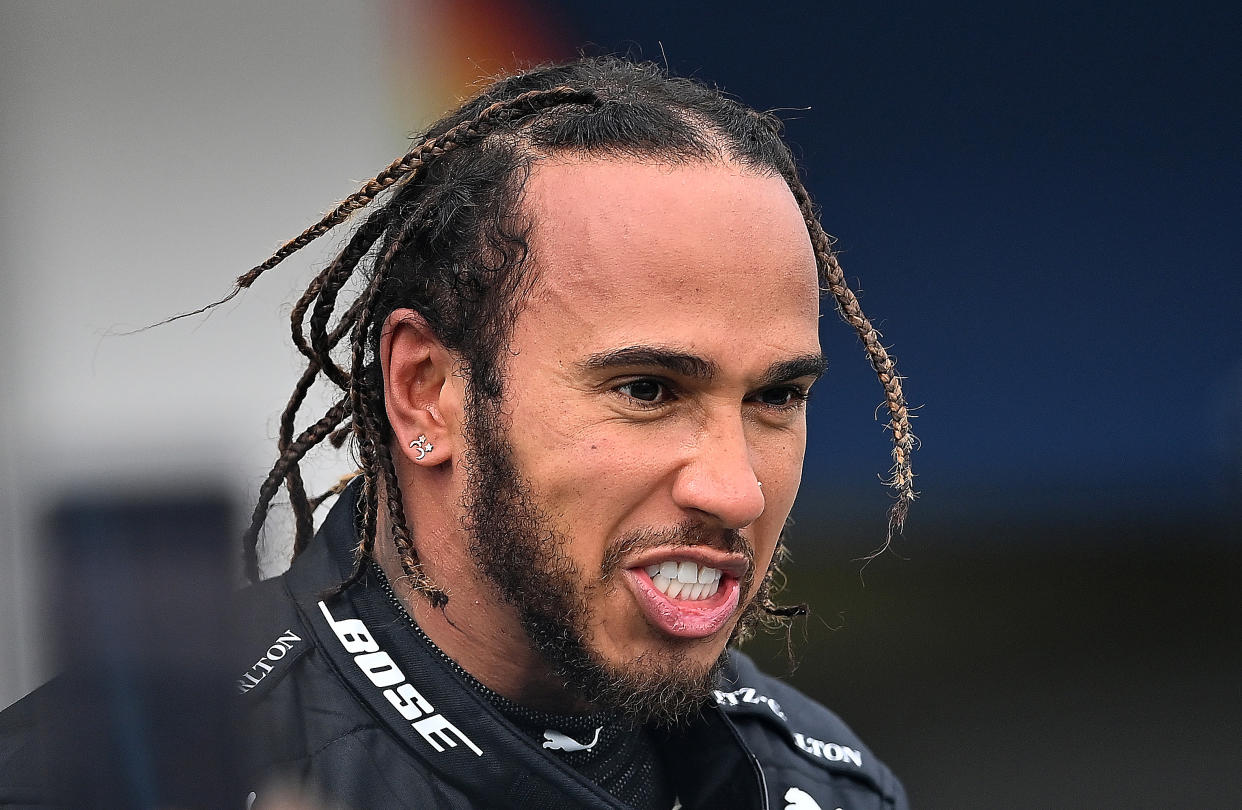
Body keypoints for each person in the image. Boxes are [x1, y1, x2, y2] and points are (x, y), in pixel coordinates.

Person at [2, 57, 915, 809]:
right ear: (425, 391)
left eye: (775, 398)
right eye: (646, 389)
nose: (736, 489)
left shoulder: (824, 786)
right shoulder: (116, 776)